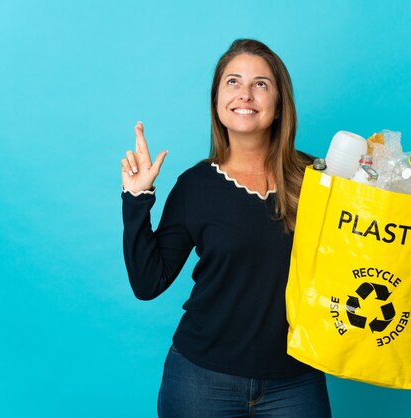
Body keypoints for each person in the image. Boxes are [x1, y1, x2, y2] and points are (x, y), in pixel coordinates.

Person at [120, 39, 332, 417]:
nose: (245, 94)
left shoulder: (318, 178)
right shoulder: (194, 185)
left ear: (280, 103)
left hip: (296, 380)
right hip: (200, 381)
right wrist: (137, 199)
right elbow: (148, 283)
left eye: (261, 84)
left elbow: (353, 260)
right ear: (217, 101)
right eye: (233, 82)